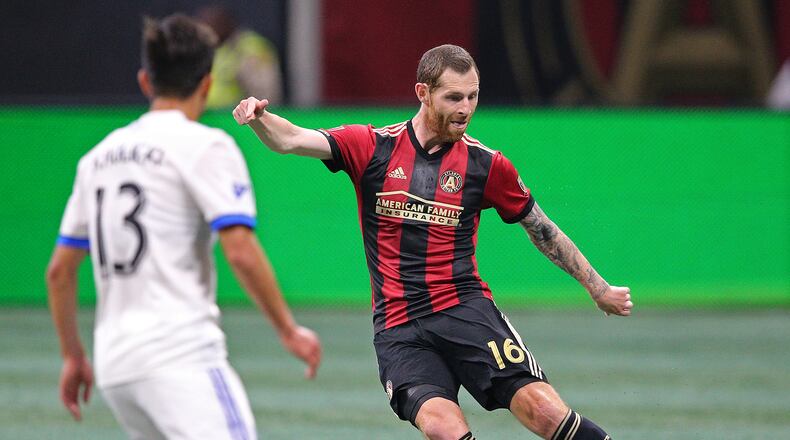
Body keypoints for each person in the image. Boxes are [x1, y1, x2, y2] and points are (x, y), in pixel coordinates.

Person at [233, 44, 632, 440]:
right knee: (442, 427)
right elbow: (291, 139)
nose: (466, 108)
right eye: (454, 97)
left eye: (473, 96)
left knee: (543, 411)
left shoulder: (486, 165)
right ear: (423, 93)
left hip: (464, 310)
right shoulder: (372, 147)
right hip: (398, 327)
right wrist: (259, 118)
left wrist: (598, 288)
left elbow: (541, 228)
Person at [46, 14, 321, 440]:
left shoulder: (96, 159)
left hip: (116, 366)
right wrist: (288, 330)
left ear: (145, 81)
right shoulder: (206, 146)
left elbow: (60, 272)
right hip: (179, 356)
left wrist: (72, 356)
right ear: (207, 84)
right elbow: (240, 252)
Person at [197, 5, 283, 109]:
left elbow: (265, 93)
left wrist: (254, 112)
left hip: (237, 115)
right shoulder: (215, 48)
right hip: (210, 114)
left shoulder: (251, 48)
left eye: (210, 25)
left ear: (226, 24)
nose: (206, 30)